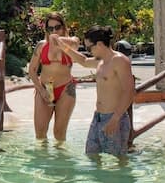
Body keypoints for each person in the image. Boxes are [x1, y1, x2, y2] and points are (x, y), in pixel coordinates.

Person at [51, 24, 135, 155]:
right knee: (91, 155)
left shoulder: (119, 61)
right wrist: (62, 46)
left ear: (99, 44)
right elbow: (84, 61)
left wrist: (115, 119)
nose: (89, 51)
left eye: (89, 47)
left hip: (114, 118)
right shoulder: (101, 62)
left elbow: (129, 92)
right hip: (98, 117)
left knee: (118, 160)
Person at [27, 12, 78, 142]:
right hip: (46, 88)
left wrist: (58, 40)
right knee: (40, 132)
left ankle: (60, 154)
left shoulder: (71, 43)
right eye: (50, 28)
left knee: (59, 133)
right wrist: (41, 90)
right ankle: (42, 155)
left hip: (65, 89)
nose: (54, 31)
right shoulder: (41, 45)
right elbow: (32, 70)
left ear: (63, 27)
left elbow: (75, 43)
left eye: (57, 27)